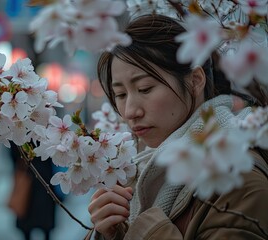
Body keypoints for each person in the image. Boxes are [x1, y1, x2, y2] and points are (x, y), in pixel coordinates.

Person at [87, 14, 268, 240]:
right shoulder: (138, 173)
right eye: (120, 94)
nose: (130, 111)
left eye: (145, 88)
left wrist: (151, 232)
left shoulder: (238, 177)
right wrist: (108, 234)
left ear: (195, 80)